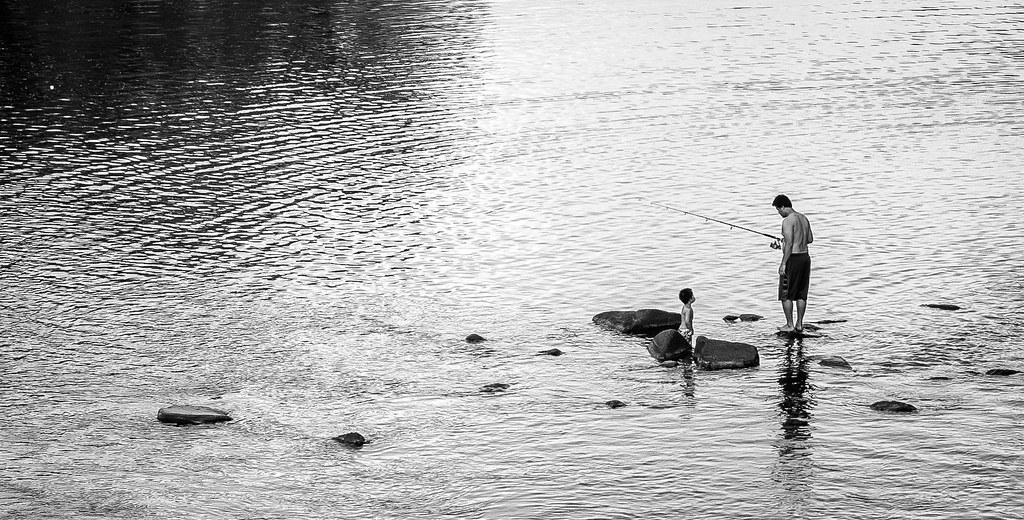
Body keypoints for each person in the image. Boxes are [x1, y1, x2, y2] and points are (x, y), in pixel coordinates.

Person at [772, 194, 813, 332]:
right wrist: (786, 243)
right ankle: (799, 324)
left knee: (786, 294)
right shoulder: (803, 218)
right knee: (801, 294)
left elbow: (789, 244)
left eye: (778, 210)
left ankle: (789, 324)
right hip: (805, 258)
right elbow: (809, 239)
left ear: (783, 207)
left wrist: (783, 263)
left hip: (793, 259)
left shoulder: (788, 221)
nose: (779, 213)